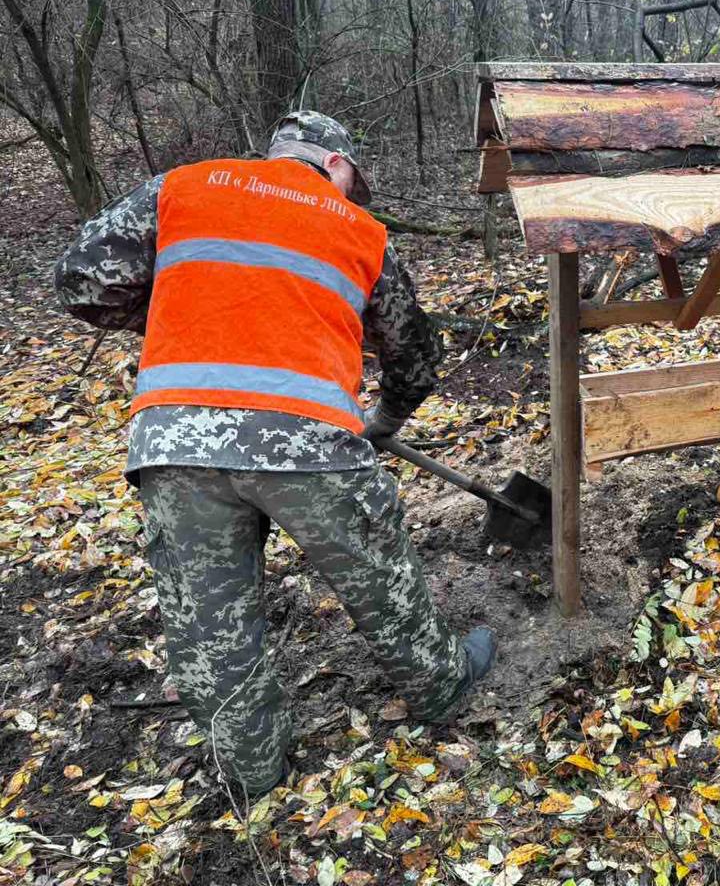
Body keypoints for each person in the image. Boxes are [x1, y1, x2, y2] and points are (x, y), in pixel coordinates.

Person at [54, 111, 496, 800]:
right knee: (379, 576)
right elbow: (413, 353)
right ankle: (440, 687)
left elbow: (80, 280)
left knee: (211, 623)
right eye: (353, 182)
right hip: (308, 440)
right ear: (336, 165)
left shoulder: (180, 187)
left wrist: (180, 307)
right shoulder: (359, 230)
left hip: (174, 440)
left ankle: (253, 772)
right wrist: (385, 417)